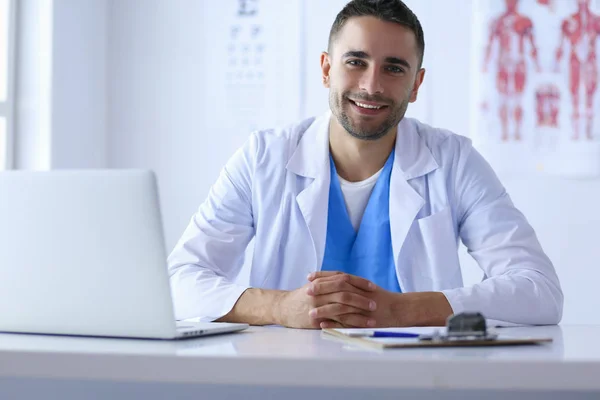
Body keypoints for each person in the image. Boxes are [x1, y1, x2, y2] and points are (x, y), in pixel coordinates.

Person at [168, 0, 563, 329]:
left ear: (416, 83)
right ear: (326, 69)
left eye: (393, 68)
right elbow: (176, 282)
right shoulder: (263, 159)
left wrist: (405, 309)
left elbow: (539, 290)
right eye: (356, 61)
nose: (371, 85)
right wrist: (278, 308)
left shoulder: (453, 161)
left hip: (418, 382)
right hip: (286, 380)